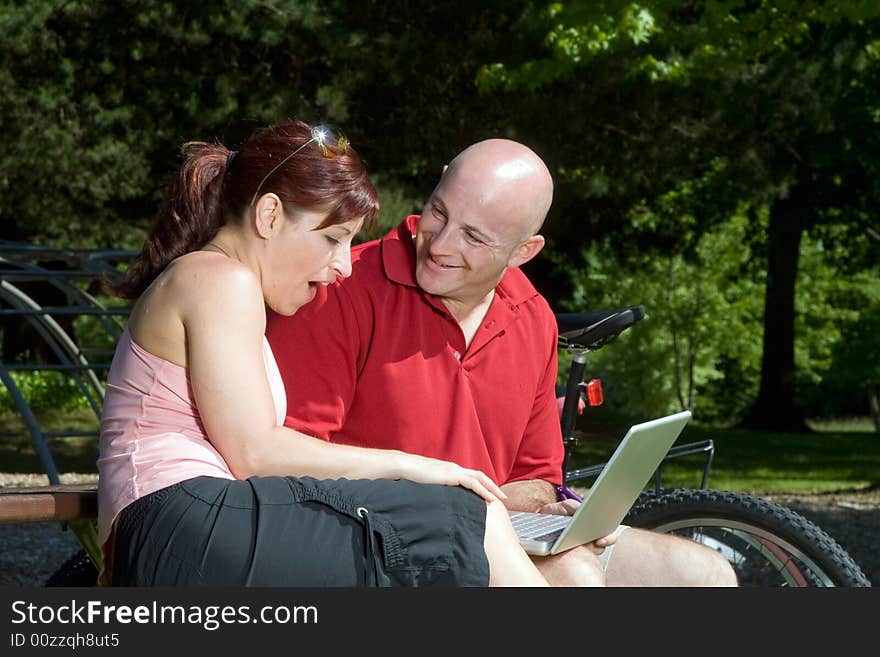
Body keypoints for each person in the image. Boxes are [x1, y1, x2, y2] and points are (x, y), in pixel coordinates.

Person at [96, 119, 550, 587]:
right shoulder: (220, 279)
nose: (341, 266)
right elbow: (256, 452)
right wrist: (417, 467)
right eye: (332, 238)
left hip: (183, 527)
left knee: (459, 529)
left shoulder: (218, 282)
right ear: (269, 216)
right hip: (181, 523)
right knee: (469, 521)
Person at [265, 138, 738, 586]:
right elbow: (286, 464)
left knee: (704, 574)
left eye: (474, 236)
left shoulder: (533, 317)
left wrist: (548, 514)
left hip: (493, 531)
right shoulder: (337, 292)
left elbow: (535, 476)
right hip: (375, 539)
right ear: (440, 181)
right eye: (439, 211)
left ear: (524, 252)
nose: (441, 244)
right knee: (575, 576)